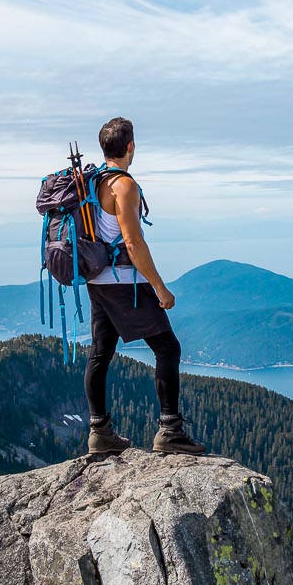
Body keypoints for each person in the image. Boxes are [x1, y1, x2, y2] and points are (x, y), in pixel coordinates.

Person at [83, 117, 206, 457]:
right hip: (125, 283)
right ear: (131, 147)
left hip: (97, 281)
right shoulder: (124, 185)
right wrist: (159, 288)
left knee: (100, 353)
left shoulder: (92, 183)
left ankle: (99, 433)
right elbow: (133, 243)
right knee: (168, 348)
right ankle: (170, 431)